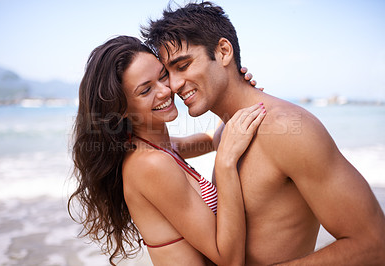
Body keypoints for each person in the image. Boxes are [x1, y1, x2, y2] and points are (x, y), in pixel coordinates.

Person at [142, 2, 385, 265]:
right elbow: (166, 150)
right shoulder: (229, 131)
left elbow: (373, 244)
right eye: (169, 73)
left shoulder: (289, 129)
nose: (174, 85)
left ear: (224, 52)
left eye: (184, 65)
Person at [68, 35, 266, 265]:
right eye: (145, 90)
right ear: (119, 108)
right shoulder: (151, 163)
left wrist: (239, 96)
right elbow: (229, 260)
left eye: (163, 76)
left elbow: (216, 138)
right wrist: (225, 165)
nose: (164, 90)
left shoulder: (163, 147)